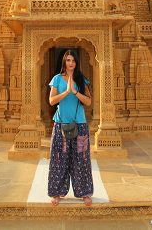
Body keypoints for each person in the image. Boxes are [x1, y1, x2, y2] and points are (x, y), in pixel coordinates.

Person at [47, 49, 94, 206]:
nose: (71, 63)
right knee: (59, 159)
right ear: (64, 62)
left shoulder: (82, 80)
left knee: (81, 159)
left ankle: (85, 192)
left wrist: (75, 92)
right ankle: (57, 192)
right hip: (61, 124)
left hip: (79, 124)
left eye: (73, 60)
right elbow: (52, 101)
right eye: (68, 60)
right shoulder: (57, 79)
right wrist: (66, 92)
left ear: (76, 63)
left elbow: (88, 102)